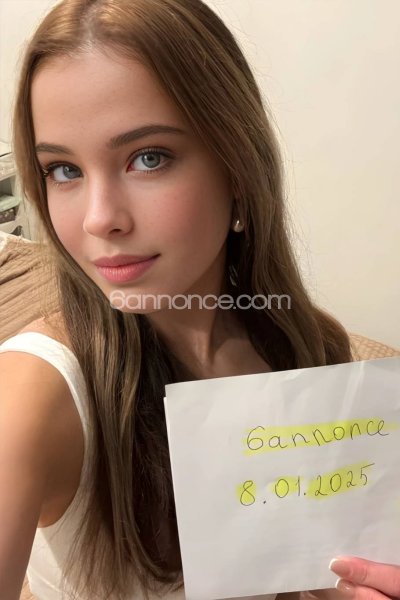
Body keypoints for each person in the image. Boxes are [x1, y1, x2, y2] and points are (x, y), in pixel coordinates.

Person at [0, 0, 398, 599]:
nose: (99, 219)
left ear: (237, 169)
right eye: (63, 170)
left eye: (148, 158)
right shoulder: (33, 394)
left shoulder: (308, 346)